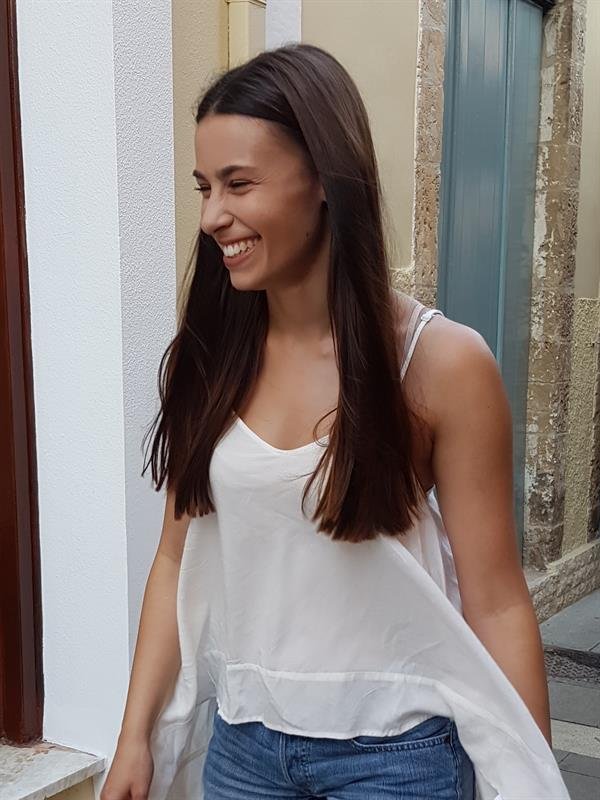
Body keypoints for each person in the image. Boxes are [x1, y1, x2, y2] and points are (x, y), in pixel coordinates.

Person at [100, 43, 570, 800]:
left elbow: (497, 599)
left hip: (398, 761)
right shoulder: (209, 357)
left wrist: (530, 779)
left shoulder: (440, 363)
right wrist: (134, 739)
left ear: (324, 177)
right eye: (204, 187)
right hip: (244, 752)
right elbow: (173, 560)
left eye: (238, 184)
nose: (213, 216)